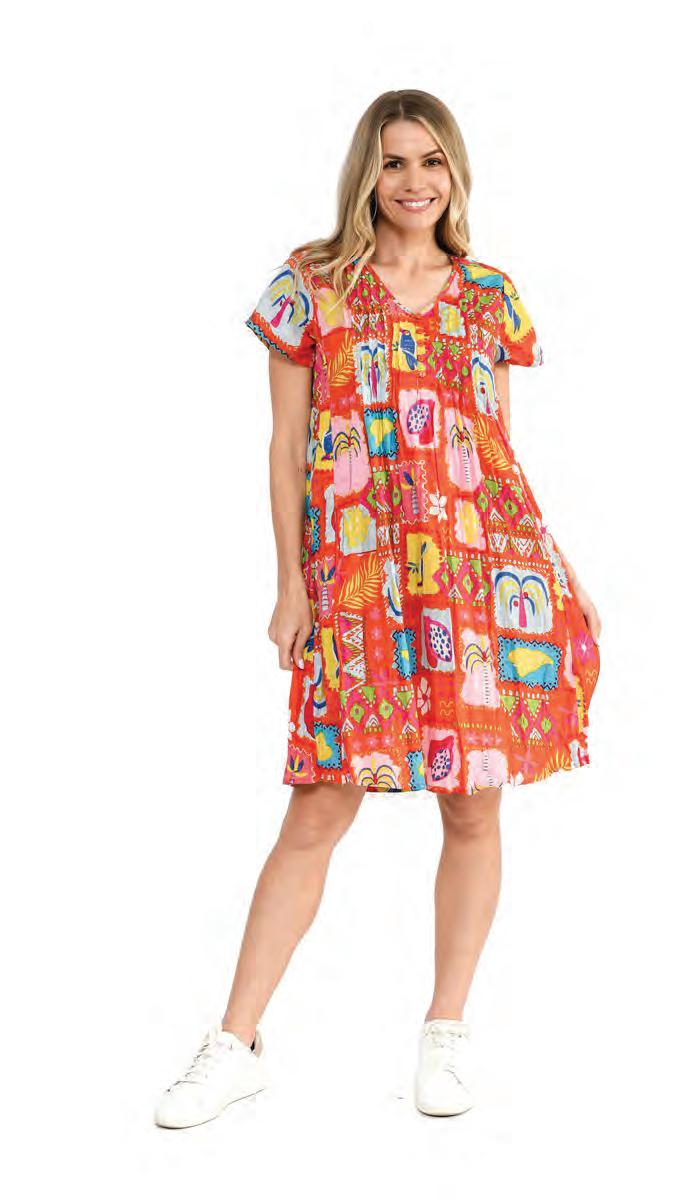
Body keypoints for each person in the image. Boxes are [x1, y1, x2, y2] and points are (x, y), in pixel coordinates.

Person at [154, 88, 601, 1129]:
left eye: (431, 161)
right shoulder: (311, 287)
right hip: (357, 583)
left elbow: (495, 452)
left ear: (455, 173)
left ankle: (445, 1033)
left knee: (472, 805)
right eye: (394, 161)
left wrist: (560, 566)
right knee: (318, 804)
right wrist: (292, 583)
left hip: (478, 577)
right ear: (366, 171)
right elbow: (285, 448)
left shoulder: (488, 296)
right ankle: (235, 1043)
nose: (413, 182)